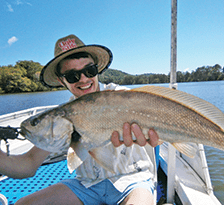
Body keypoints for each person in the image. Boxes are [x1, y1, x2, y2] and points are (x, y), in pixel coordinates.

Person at [0, 34, 160, 205]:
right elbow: (28, 164)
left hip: (133, 180)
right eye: (72, 76)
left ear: (97, 70)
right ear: (62, 81)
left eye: (89, 70)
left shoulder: (124, 97)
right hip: (87, 184)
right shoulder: (60, 118)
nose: (83, 79)